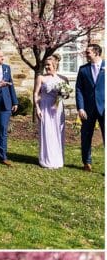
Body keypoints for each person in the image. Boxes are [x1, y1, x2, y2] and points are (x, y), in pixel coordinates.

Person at [34, 55, 68, 169]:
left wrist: (64, 94)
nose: (46, 67)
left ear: (55, 65)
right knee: (47, 132)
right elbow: (35, 94)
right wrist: (37, 108)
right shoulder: (41, 78)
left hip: (57, 109)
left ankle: (57, 159)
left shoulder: (62, 79)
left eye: (49, 65)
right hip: (45, 108)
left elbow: (65, 95)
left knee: (58, 133)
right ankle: (46, 159)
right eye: (45, 65)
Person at [75, 43, 105, 171]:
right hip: (88, 109)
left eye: (88, 52)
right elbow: (79, 89)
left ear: (96, 53)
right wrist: (81, 108)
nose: (85, 54)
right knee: (86, 135)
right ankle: (87, 162)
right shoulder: (83, 69)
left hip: (104, 108)